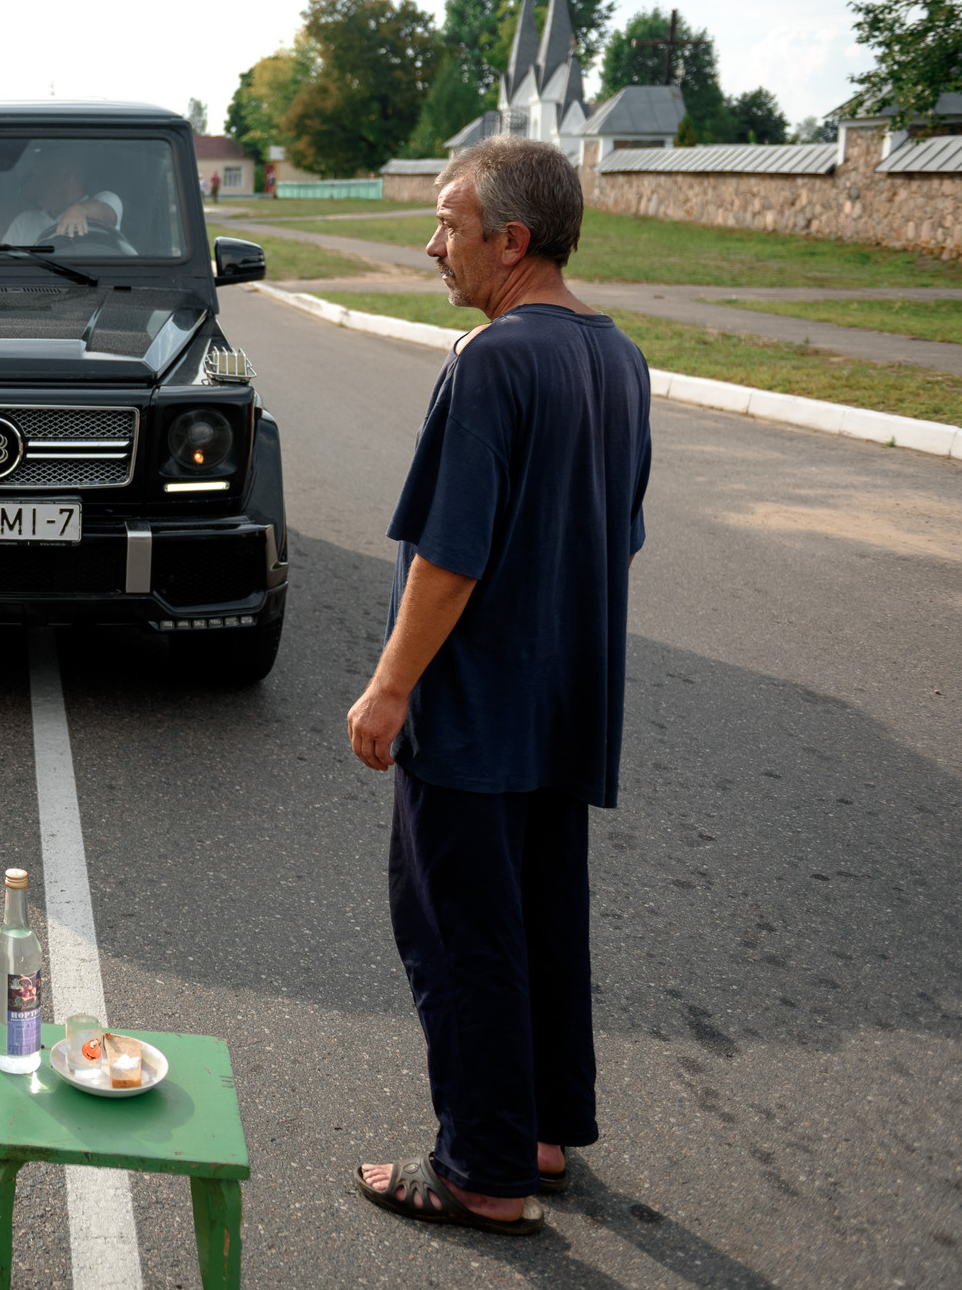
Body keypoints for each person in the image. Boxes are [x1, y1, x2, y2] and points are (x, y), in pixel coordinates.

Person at [345, 136, 652, 1240]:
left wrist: (388, 690)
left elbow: (449, 553)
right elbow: (615, 535)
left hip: (472, 713)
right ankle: (538, 1129)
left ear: (509, 241)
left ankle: (479, 1170)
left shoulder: (490, 360)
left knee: (458, 933)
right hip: (565, 701)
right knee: (540, 921)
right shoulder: (617, 358)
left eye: (447, 224)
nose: (434, 246)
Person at [1, 152, 123, 245]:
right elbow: (4, 266)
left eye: (41, 177)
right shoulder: (24, 222)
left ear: (68, 177)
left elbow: (106, 213)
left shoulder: (104, 201)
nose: (34, 184)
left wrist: (78, 211)